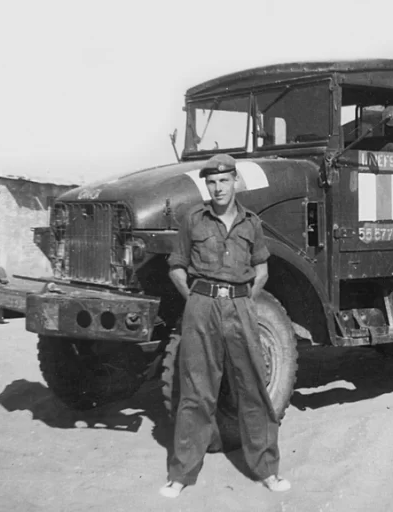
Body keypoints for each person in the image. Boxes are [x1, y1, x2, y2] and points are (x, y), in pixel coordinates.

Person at [160, 154, 291, 498]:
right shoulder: (193, 220)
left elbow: (261, 269)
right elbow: (176, 266)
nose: (218, 188)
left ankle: (267, 470)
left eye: (224, 181)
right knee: (196, 392)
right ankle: (181, 474)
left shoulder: (252, 223)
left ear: (236, 182)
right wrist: (195, 299)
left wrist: (245, 301)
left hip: (239, 306)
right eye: (212, 182)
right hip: (201, 307)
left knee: (253, 388)